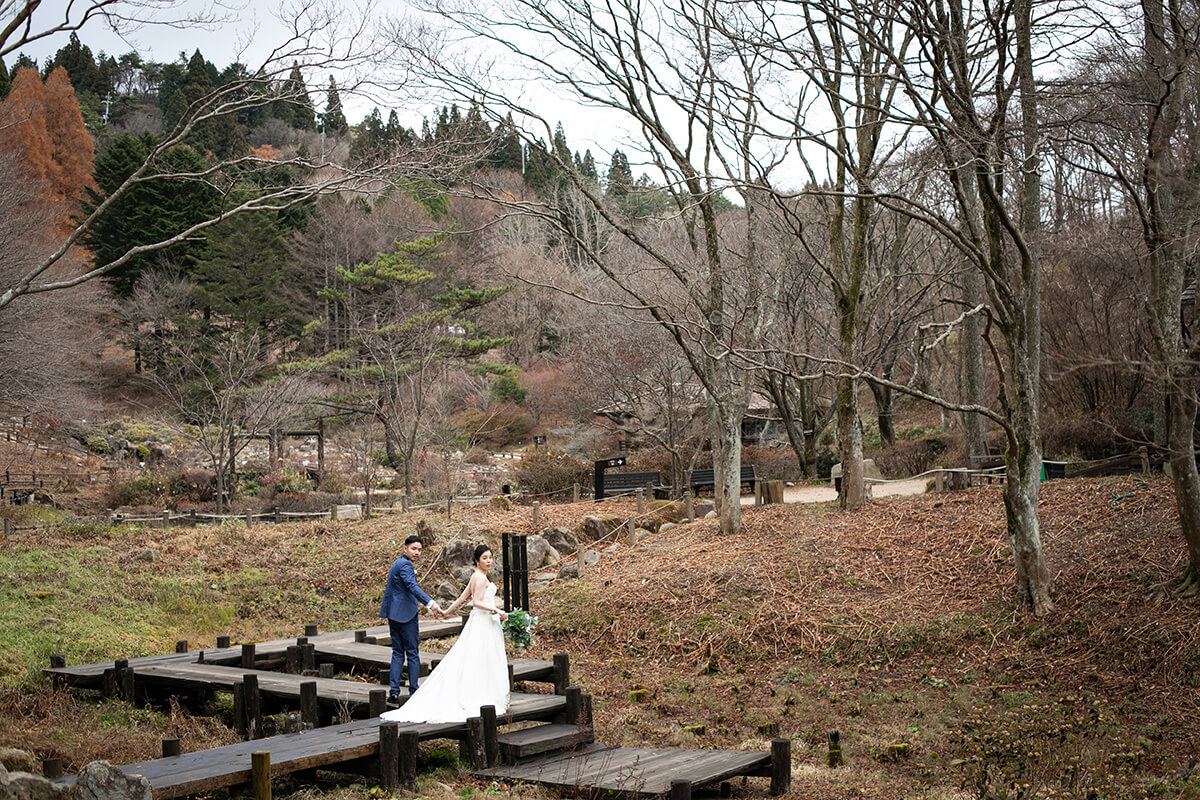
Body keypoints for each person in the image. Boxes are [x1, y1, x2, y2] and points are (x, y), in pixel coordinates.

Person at [381, 544, 510, 723]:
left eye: (490, 557)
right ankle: (479, 694)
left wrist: (446, 612)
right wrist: (497, 610)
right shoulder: (480, 579)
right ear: (476, 560)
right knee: (482, 656)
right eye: (485, 558)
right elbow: (476, 602)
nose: (489, 561)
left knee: (477, 656)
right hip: (483, 621)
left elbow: (462, 598)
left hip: (481, 621)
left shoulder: (476, 576)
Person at [380, 535, 443, 704]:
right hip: (405, 615)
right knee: (412, 653)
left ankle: (394, 693)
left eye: (419, 550)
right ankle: (414, 691)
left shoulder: (398, 563)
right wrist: (431, 603)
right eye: (414, 549)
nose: (417, 552)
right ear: (405, 549)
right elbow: (412, 586)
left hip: (393, 613)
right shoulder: (405, 565)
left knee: (398, 652)